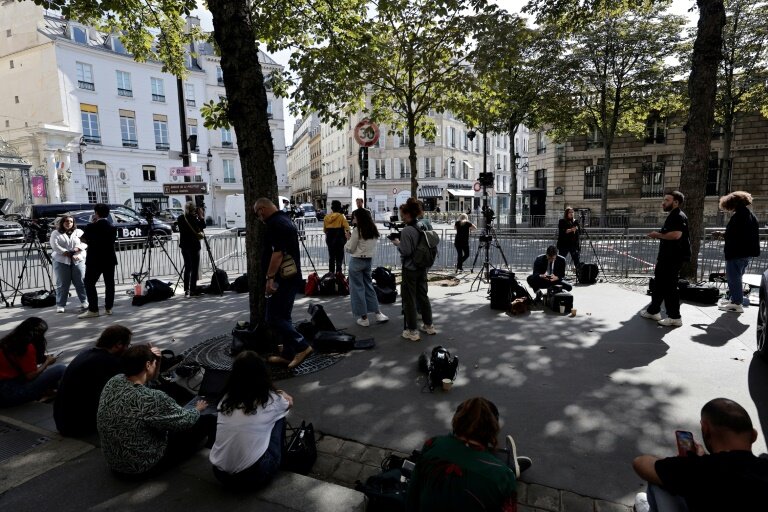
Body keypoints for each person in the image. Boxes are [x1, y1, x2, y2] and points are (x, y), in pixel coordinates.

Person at [97, 344, 216, 477]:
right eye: (154, 363)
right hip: (142, 467)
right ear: (148, 365)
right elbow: (185, 421)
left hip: (116, 463)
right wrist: (197, 409)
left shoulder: (115, 381)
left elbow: (149, 381)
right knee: (207, 420)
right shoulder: (151, 398)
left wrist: (157, 362)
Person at [632, 398, 768, 512]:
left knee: (660, 482)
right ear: (754, 435)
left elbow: (640, 463)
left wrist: (685, 463)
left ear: (705, 429)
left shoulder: (698, 470)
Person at [407, 397, 531, 512]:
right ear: (492, 430)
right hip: (497, 475)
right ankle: (509, 465)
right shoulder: (503, 477)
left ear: (457, 420)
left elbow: (412, 495)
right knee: (501, 477)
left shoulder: (433, 444)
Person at [209, 351, 293, 489]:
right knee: (279, 418)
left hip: (220, 474)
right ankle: (280, 459)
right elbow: (289, 403)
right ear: (262, 374)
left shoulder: (225, 400)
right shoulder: (271, 400)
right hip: (254, 476)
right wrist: (281, 393)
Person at [254, 198, 313, 369]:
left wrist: (269, 278)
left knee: (272, 318)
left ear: (262, 210)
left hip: (282, 279)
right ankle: (288, 354)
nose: (258, 217)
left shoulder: (274, 224)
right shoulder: (285, 219)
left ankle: (302, 346)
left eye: (257, 214)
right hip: (291, 278)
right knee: (284, 317)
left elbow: (277, 253)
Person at [53, 325, 132, 437]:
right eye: (127, 345)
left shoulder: (86, 352)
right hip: (78, 427)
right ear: (118, 344)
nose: (127, 349)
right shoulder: (108, 362)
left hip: (63, 422)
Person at [640, 191, 691, 327]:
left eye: (667, 200)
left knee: (669, 287)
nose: (663, 202)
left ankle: (674, 317)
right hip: (667, 257)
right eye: (664, 200)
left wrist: (658, 235)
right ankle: (653, 311)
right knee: (659, 284)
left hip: (672, 258)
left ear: (676, 202)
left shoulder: (678, 216)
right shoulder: (674, 215)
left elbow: (676, 235)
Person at [391, 197, 435, 341]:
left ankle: (412, 331)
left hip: (410, 268)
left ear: (408, 214)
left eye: (403, 214)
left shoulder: (407, 230)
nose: (402, 217)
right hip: (422, 266)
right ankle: (429, 326)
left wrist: (397, 243)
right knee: (423, 296)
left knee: (409, 299)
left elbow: (406, 251)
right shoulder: (422, 225)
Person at [0, 317, 66, 408]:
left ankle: (49, 392)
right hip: (11, 394)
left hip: (5, 390)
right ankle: (48, 393)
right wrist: (47, 363)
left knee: (51, 377)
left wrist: (44, 359)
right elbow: (30, 375)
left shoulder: (9, 341)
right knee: (60, 369)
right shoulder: (27, 347)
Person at [712, 191, 760, 313]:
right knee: (736, 277)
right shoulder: (749, 215)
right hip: (744, 252)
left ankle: (736, 303)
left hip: (737, 252)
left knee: (734, 278)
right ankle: (734, 300)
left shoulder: (739, 216)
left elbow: (735, 234)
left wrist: (722, 234)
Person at [345, 208, 389, 327]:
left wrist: (347, 239)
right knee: (369, 287)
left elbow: (350, 248)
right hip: (368, 261)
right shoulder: (372, 229)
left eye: (354, 217)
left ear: (359, 218)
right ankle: (378, 313)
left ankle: (364, 318)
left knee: (357, 289)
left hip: (357, 261)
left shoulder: (356, 230)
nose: (353, 219)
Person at [78, 203, 117, 319]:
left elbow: (83, 239)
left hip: (94, 259)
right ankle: (108, 308)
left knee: (89, 283)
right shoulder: (112, 227)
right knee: (109, 284)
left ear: (96, 213)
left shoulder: (91, 226)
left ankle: (93, 309)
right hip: (109, 259)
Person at [49, 215, 88, 313]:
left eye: (70, 221)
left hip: (78, 259)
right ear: (62, 222)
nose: (68, 223)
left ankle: (84, 301)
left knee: (80, 282)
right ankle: (61, 304)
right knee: (62, 284)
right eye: (66, 221)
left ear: (73, 223)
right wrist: (69, 254)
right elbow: (55, 246)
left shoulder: (79, 232)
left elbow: (85, 242)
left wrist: (77, 248)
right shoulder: (55, 233)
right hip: (61, 261)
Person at [177, 201, 207, 297]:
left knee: (187, 267)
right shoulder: (194, 219)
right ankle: (193, 289)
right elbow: (203, 226)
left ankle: (186, 290)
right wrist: (201, 216)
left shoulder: (180, 218)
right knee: (194, 269)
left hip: (184, 247)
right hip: (194, 246)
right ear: (194, 210)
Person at [323, 199, 351, 274]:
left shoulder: (326, 217)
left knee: (331, 258)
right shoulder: (341, 217)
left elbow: (325, 230)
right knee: (339, 258)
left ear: (332, 208)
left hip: (330, 240)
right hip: (339, 240)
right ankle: (339, 274)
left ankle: (331, 274)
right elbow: (347, 228)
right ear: (339, 208)